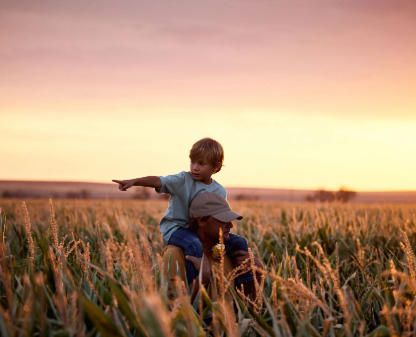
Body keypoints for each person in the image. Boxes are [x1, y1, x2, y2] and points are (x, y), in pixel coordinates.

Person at [112, 138, 253, 286]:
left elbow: (216, 220)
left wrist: (219, 248)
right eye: (192, 162)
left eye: (201, 163)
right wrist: (134, 181)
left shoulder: (219, 191)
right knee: (194, 244)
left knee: (240, 242)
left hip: (200, 232)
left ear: (216, 167)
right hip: (177, 230)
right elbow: (158, 181)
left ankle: (246, 291)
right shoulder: (182, 180)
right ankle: (199, 286)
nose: (195, 167)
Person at [162, 192, 264, 302]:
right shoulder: (176, 255)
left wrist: (258, 273)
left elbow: (246, 306)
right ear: (201, 221)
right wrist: (202, 278)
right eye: (223, 219)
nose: (230, 225)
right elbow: (172, 308)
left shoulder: (230, 252)